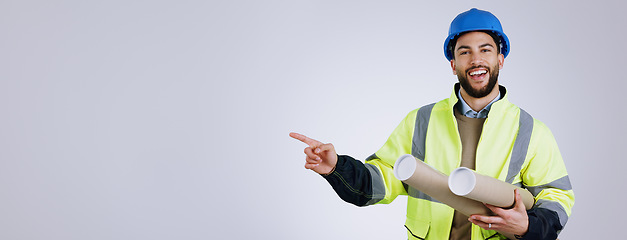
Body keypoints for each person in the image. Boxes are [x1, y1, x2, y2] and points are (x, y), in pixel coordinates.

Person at [290, 8, 574, 240]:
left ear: (500, 58)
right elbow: (382, 181)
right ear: (453, 63)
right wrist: (336, 167)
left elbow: (557, 197)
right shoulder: (421, 121)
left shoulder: (531, 130)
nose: (476, 60)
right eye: (464, 52)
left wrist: (528, 227)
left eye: (485, 50)